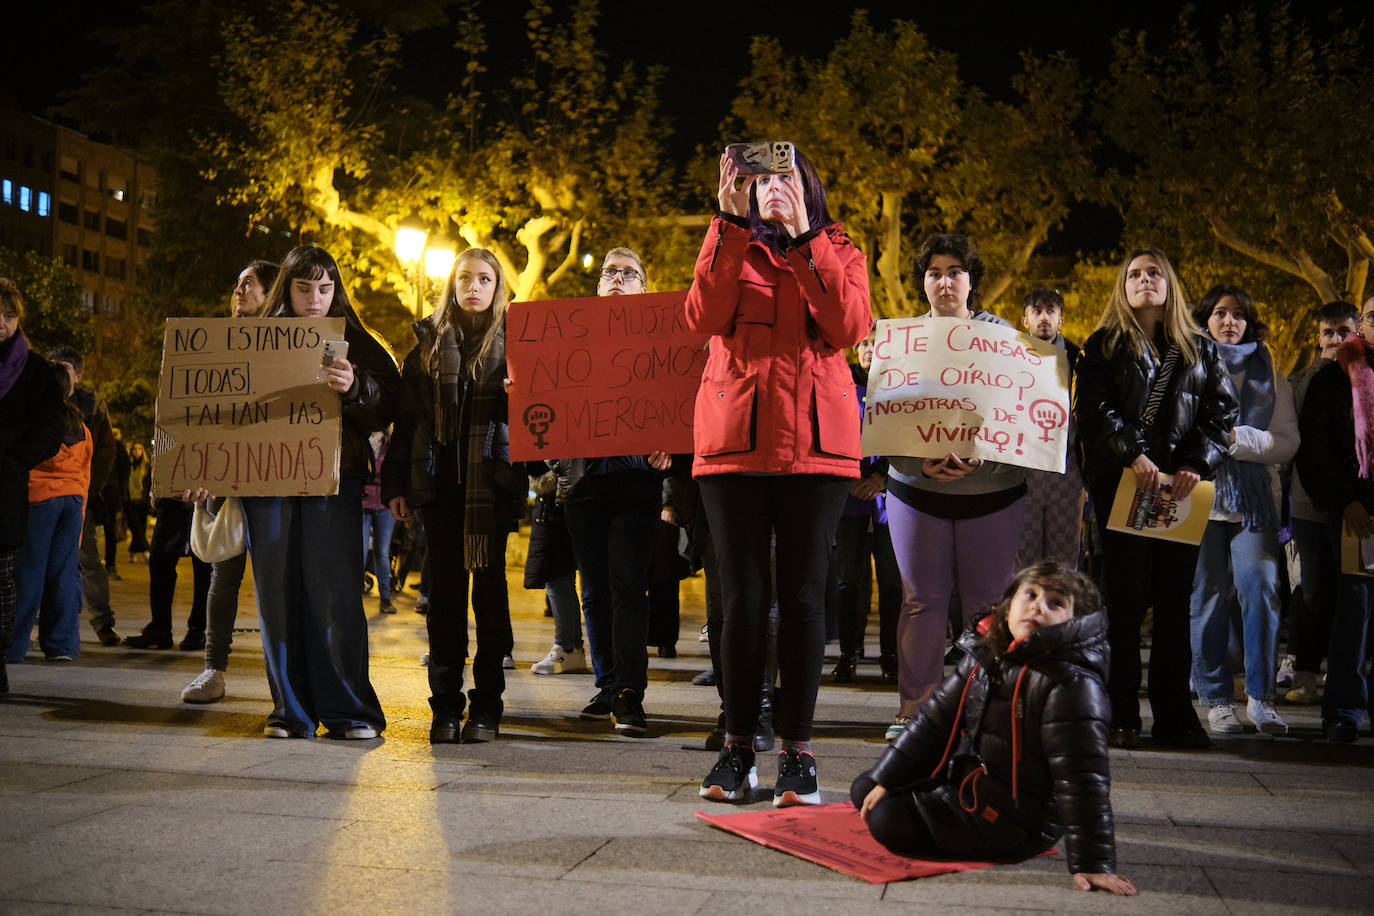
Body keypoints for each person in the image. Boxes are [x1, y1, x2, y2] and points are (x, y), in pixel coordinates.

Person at [689, 149, 870, 806]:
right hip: (734, 449)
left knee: (801, 601)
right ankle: (739, 749)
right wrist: (725, 221)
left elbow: (848, 325)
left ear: (809, 187)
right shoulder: (728, 242)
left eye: (785, 178)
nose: (773, 189)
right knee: (740, 600)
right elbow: (701, 319)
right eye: (761, 179)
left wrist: (804, 241)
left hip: (816, 453)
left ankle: (799, 751)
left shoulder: (839, 248)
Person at [851, 562, 1136, 897]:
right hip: (971, 780)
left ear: (1075, 622)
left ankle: (963, 821)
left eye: (1055, 603)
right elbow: (932, 722)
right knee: (866, 788)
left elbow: (1083, 780)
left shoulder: (1071, 686)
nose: (1037, 605)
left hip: (1016, 820)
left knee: (885, 821)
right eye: (1029, 594)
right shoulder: (986, 650)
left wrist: (1094, 861)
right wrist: (887, 779)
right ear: (1008, 604)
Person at [1073, 248, 1236, 749]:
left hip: (1181, 495)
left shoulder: (1201, 349)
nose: (1145, 280)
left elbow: (1221, 414)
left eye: (1154, 273)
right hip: (1124, 489)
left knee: (1173, 602)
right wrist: (1133, 453)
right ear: (1123, 287)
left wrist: (1195, 464)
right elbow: (1093, 410)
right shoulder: (1102, 345)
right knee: (1122, 603)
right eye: (1135, 274)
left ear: (1170, 285)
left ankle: (1174, 714)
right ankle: (1120, 713)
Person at [239, 244, 397, 739]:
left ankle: (350, 710)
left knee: (334, 593)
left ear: (337, 290)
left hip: (333, 483)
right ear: (286, 288)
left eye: (325, 288)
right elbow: (219, 410)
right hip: (267, 484)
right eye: (304, 288)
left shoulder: (357, 340)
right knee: (277, 596)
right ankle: (291, 711)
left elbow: (389, 403)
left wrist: (355, 388)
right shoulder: (250, 340)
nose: (315, 299)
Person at [883, 233, 1027, 741]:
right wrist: (917, 460)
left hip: (992, 495)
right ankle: (916, 711)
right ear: (923, 282)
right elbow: (884, 419)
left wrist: (978, 454)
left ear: (972, 280)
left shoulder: (1004, 339)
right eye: (934, 272)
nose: (945, 281)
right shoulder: (899, 342)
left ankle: (986, 708)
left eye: (955, 271)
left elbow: (1020, 418)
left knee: (988, 607)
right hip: (914, 494)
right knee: (921, 602)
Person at [384, 248, 523, 744]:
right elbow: (407, 424)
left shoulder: (519, 345)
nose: (473, 286)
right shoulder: (425, 347)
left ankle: (487, 706)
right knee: (443, 600)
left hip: (493, 492)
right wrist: (396, 485)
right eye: (464, 277)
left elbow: (537, 424)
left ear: (497, 286)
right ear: (451, 284)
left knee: (490, 601)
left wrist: (519, 391)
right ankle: (445, 706)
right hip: (439, 491)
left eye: (484, 278)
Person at [549, 247, 677, 737]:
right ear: (597, 285)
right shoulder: (567, 342)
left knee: (627, 586)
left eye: (629, 273)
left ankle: (630, 692)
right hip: (582, 482)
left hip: (634, 481)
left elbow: (676, 401)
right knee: (594, 590)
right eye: (609, 272)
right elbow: (550, 402)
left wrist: (671, 445)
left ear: (645, 288)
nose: (618, 279)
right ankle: (606, 683)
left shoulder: (660, 343)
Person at [1187, 285, 1296, 736]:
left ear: (1250, 323)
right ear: (1204, 320)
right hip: (1198, 494)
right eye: (1219, 313)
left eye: (1238, 315)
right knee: (1206, 598)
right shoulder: (1185, 366)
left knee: (1261, 587)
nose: (1229, 321)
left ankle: (1261, 697)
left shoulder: (1272, 373)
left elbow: (1288, 443)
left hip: (1253, 501)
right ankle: (1216, 698)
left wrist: (1237, 439)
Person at [181, 259, 279, 704]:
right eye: (237, 283)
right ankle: (212, 669)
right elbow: (192, 413)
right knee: (224, 575)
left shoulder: (289, 347)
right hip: (229, 482)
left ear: (271, 292)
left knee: (277, 582)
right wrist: (190, 470)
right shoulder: (213, 347)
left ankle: (285, 675)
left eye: (249, 284)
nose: (239, 290)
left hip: (278, 482)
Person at [1296, 296, 1374, 743]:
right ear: (1361, 324)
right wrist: (1346, 500)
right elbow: (1317, 448)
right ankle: (1343, 709)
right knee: (1354, 611)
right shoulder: (1334, 376)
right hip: (1356, 514)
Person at [1284, 300, 1358, 704]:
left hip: (1355, 507)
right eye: (1328, 333)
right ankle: (1306, 673)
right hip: (1308, 506)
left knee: (1353, 591)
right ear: (1317, 338)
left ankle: (1345, 674)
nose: (1335, 340)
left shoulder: (1363, 375)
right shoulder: (1300, 381)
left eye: (1343, 331)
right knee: (1311, 591)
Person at [0, 278, 67, 689]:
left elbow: (51, 426)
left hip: (6, 488)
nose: (3, 324)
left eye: (9, 316)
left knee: (3, 576)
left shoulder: (35, 369)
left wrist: (14, 460)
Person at [8, 363, 93, 664]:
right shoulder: (81, 425)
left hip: (40, 500)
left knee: (28, 573)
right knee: (63, 573)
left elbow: (22, 458)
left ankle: (12, 646)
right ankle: (62, 645)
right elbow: (85, 471)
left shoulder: (37, 418)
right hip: (72, 503)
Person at [831, 328, 900, 684]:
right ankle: (847, 654)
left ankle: (891, 655)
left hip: (888, 501)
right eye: (864, 344)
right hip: (848, 497)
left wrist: (881, 479)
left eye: (877, 344)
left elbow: (903, 436)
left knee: (891, 582)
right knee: (849, 582)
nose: (870, 350)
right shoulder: (839, 384)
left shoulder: (899, 388)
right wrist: (850, 479)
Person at [47, 345, 119, 647]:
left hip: (78, 494)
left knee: (88, 559)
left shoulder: (91, 406)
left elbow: (104, 451)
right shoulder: (36, 398)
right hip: (39, 495)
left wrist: (89, 488)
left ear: (77, 374)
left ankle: (102, 621)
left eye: (63, 368)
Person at [1016, 287, 1086, 570]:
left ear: (1061, 320)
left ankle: (1061, 614)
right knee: (1024, 561)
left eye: (1050, 311)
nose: (1043, 317)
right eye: (1036, 311)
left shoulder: (1079, 360)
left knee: (1064, 560)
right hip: (1023, 475)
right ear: (1025, 321)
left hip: (1067, 473)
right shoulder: (1009, 359)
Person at [524, 468, 588, 676]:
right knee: (558, 577)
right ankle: (570, 647)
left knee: (559, 577)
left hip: (561, 503)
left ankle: (569, 647)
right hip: (555, 504)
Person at [361, 431, 395, 613]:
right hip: (363, 503)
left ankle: (385, 598)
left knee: (381, 552)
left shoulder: (388, 444)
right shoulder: (363, 439)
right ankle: (353, 596)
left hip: (384, 505)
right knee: (360, 550)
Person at [124, 441, 151, 559]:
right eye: (134, 449)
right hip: (130, 501)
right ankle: (147, 550)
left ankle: (132, 551)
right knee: (135, 527)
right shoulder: (127, 465)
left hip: (142, 501)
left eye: (139, 448)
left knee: (141, 528)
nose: (137, 451)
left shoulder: (146, 466)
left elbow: (149, 484)